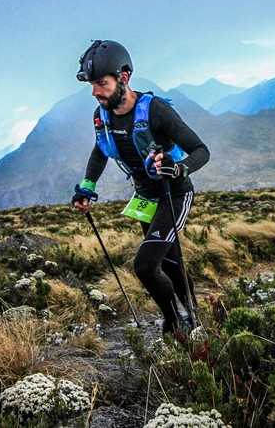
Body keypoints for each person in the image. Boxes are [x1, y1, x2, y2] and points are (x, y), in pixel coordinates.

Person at [71, 40, 210, 336]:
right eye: (92, 85)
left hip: (174, 194)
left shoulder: (156, 110)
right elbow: (100, 151)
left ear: (124, 77)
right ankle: (192, 313)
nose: (96, 92)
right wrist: (86, 188)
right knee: (169, 262)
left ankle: (177, 322)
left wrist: (180, 167)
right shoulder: (103, 116)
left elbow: (200, 150)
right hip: (146, 197)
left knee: (146, 266)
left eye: (102, 83)